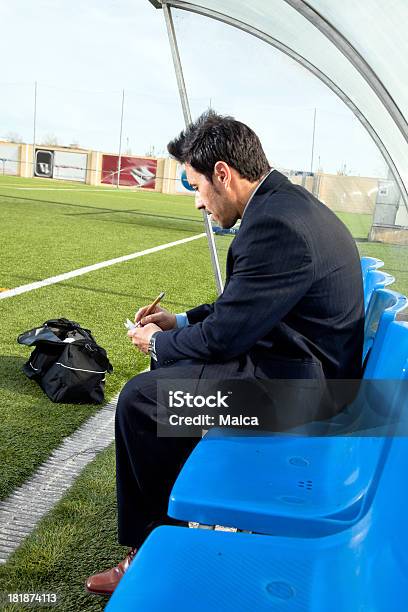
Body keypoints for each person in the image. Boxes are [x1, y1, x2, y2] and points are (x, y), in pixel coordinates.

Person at [86, 110, 364, 595]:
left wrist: (157, 343)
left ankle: (149, 551)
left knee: (142, 401)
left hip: (302, 393)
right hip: (299, 368)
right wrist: (179, 323)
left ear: (223, 174)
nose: (198, 203)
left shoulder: (277, 224)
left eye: (196, 187)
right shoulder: (282, 207)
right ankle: (179, 519)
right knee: (172, 383)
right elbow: (242, 304)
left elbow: (224, 338)